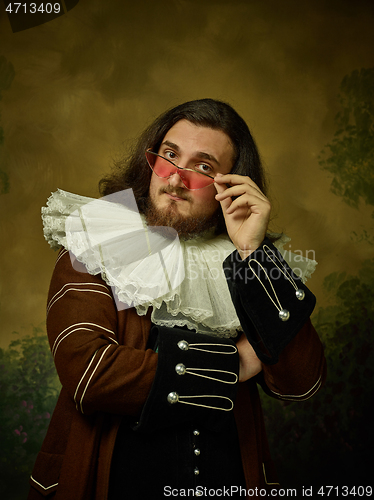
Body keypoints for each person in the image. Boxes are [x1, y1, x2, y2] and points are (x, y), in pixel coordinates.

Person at [29, 99, 326, 499]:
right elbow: (90, 374)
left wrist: (252, 255)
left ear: (232, 185)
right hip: (113, 483)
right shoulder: (98, 234)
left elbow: (301, 384)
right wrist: (232, 364)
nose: (176, 178)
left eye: (203, 167)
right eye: (169, 155)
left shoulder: (247, 258)